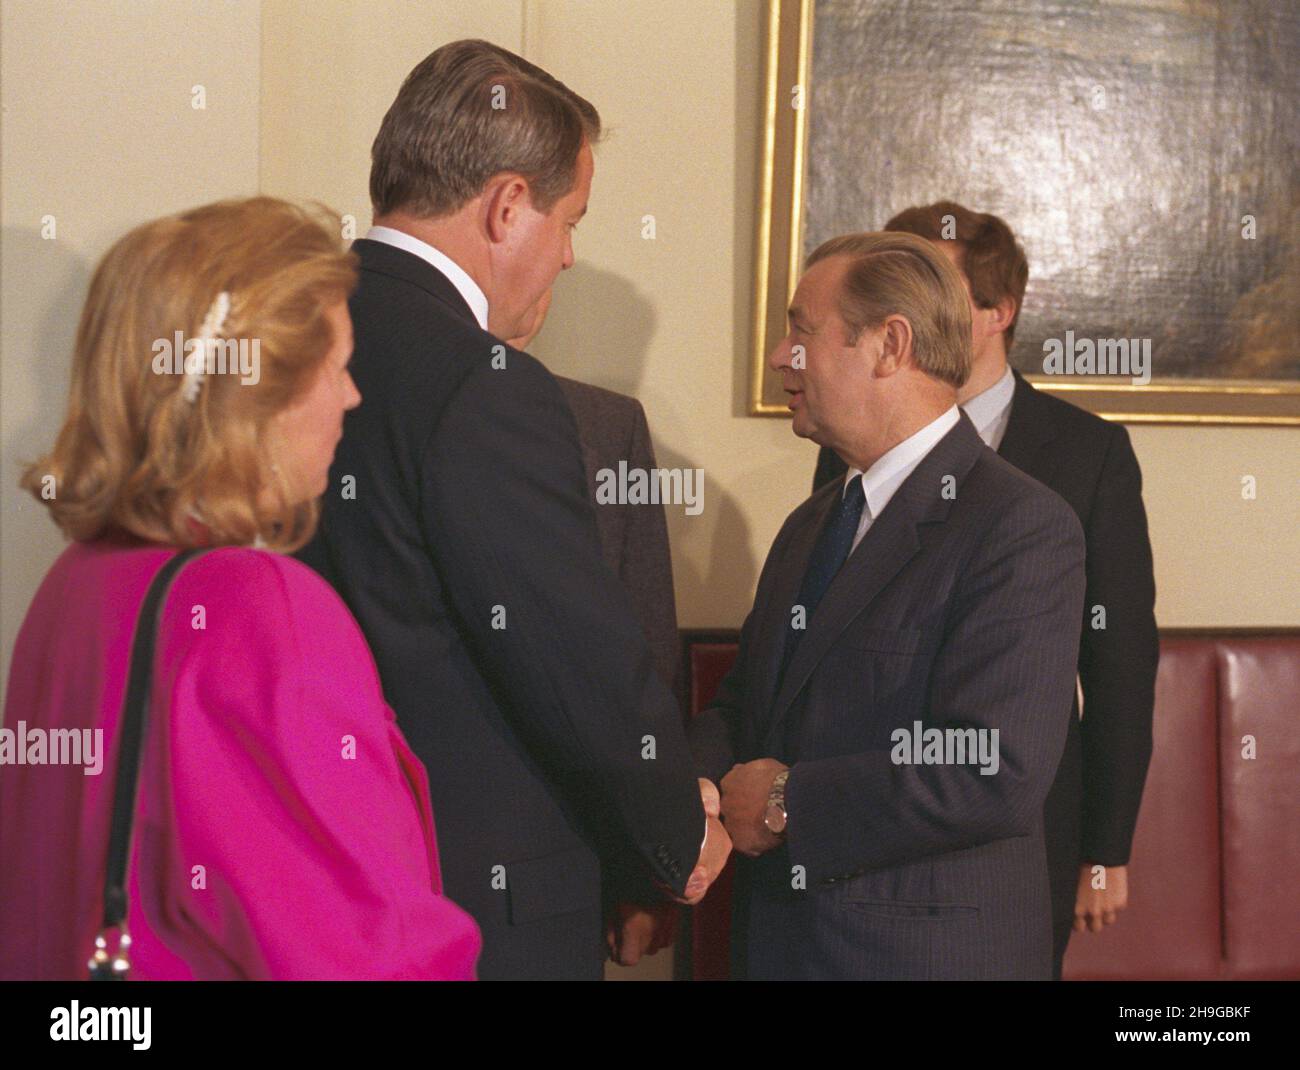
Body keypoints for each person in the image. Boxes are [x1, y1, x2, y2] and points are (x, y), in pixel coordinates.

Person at [296, 39, 729, 981]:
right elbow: (578, 666)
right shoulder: (489, 386)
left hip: (311, 875)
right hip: (475, 907)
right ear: (505, 205)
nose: (569, 255)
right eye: (570, 219)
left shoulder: (290, 333)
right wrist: (677, 833)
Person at [0, 197, 481, 981]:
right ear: (256, 394)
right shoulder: (256, 607)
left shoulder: (78, 583)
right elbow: (364, 953)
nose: (350, 399)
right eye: (337, 367)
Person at [691, 230, 1086, 979]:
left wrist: (785, 799)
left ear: (889, 345)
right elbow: (749, 705)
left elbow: (990, 766)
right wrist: (694, 793)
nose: (781, 356)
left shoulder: (1019, 527)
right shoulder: (810, 524)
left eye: (801, 331)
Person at [811, 201, 1158, 978]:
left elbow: (1119, 666)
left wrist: (1106, 850)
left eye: (935, 283)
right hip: (874, 827)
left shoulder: (1088, 452)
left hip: (1029, 813)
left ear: (998, 312)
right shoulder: (852, 444)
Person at [508, 293, 682, 968]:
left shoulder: (607, 428)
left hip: (558, 877)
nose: (563, 261)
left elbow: (643, 668)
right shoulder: (344, 405)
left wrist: (644, 870)